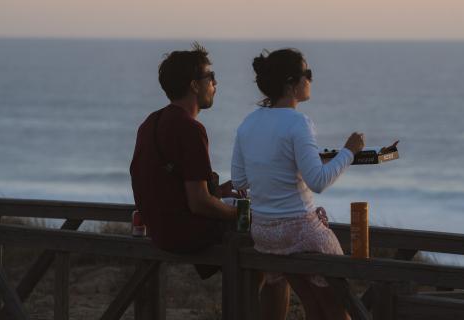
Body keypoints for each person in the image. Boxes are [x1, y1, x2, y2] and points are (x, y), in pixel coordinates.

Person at [231, 48, 365, 320]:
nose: (311, 80)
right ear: (292, 83)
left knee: (313, 304)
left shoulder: (248, 124)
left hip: (265, 233)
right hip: (300, 231)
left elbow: (239, 180)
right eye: (308, 74)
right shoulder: (298, 122)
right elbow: (317, 181)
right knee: (340, 304)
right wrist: (348, 152)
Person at [130, 43, 238, 278]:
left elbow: (169, 186)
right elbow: (198, 203)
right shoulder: (190, 129)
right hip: (182, 234)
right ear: (194, 85)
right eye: (211, 77)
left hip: (157, 230)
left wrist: (218, 192)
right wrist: (237, 213)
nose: (215, 84)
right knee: (259, 237)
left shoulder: (151, 122)